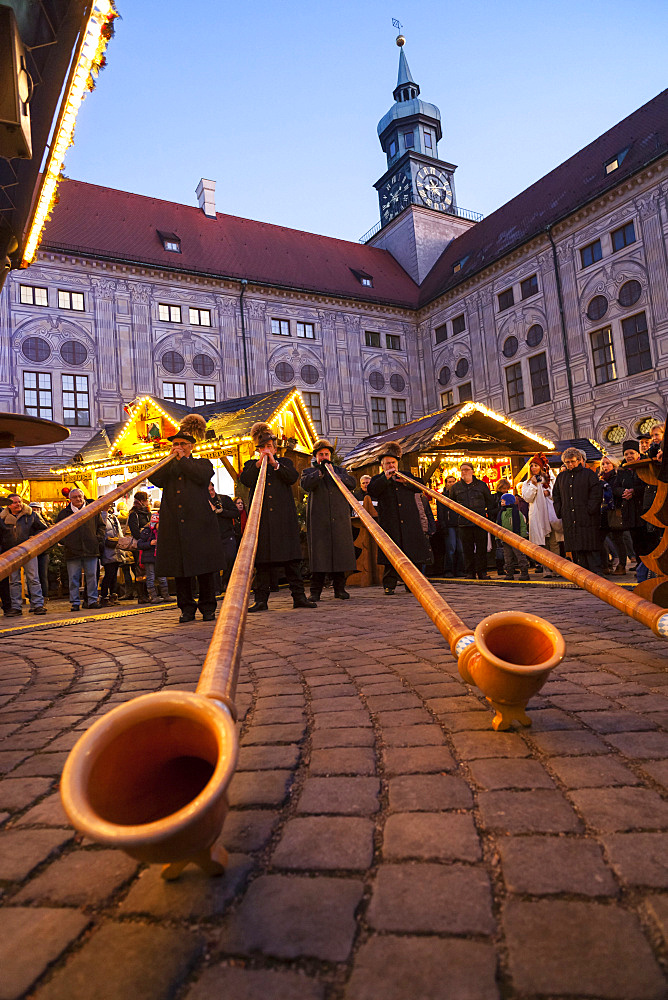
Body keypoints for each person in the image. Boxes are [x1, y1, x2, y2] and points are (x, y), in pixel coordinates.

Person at [149, 414, 226, 623]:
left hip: (200, 527)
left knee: (205, 570)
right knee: (181, 572)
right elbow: (154, 478)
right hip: (175, 527)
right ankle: (186, 609)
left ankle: (208, 608)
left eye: (182, 444)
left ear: (191, 447)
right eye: (175, 444)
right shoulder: (168, 466)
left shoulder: (203, 463)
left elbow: (199, 476)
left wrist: (182, 459)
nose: (178, 447)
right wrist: (169, 460)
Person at [239, 422, 316, 612]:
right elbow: (246, 480)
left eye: (269, 447)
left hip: (284, 520)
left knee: (292, 561)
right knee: (262, 563)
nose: (267, 450)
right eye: (263, 448)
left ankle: (299, 597)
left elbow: (291, 477)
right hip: (262, 520)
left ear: (274, 447)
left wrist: (274, 463)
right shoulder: (251, 465)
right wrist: (259, 463)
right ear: (258, 450)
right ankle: (261, 600)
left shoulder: (285, 463)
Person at [366, 442, 431, 595]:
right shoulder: (378, 479)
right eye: (387, 463)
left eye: (393, 463)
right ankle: (389, 585)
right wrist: (386, 479)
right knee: (392, 556)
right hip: (391, 523)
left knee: (412, 555)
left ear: (397, 463)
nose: (391, 465)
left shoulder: (406, 475)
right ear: (382, 465)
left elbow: (421, 486)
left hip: (409, 522)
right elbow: (372, 491)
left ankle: (412, 584)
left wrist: (406, 482)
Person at [300, 439, 357, 602]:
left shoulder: (340, 471)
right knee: (320, 556)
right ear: (316, 457)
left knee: (340, 554)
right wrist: (320, 473)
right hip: (319, 521)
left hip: (338, 520)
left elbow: (352, 484)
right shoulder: (309, 472)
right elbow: (305, 485)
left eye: (326, 454)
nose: (324, 457)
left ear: (330, 456)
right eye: (321, 455)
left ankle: (340, 589)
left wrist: (335, 474)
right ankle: (315, 592)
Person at [552, 447, 603, 572]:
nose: (570, 464)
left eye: (573, 461)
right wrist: (561, 511)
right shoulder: (561, 477)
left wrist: (590, 510)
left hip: (587, 518)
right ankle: (581, 575)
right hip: (570, 518)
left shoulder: (588, 474)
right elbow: (556, 496)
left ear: (579, 460)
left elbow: (596, 494)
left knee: (590, 547)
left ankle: (596, 575)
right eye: (567, 462)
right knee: (576, 549)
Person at [54, 488, 105, 610]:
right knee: (73, 577)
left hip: (90, 548)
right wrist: (66, 542)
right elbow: (57, 531)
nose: (78, 499)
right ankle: (75, 602)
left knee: (92, 576)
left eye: (80, 496)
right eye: (75, 497)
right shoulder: (64, 514)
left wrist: (96, 539)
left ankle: (92, 600)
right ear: (70, 499)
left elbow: (101, 526)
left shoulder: (92, 510)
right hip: (72, 550)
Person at [0, 494, 48, 616]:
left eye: (19, 502)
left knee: (33, 578)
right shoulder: (2, 518)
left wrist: (34, 538)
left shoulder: (31, 514)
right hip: (10, 553)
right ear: (9, 505)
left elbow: (43, 529)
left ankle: (38, 605)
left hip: (28, 551)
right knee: (14, 581)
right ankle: (16, 607)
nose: (18, 504)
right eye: (15, 502)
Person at [520, 454, 561, 578]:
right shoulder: (527, 483)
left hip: (550, 514)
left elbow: (557, 493)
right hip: (538, 516)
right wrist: (533, 485)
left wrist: (548, 493)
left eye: (536, 465)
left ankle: (557, 568)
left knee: (554, 543)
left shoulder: (551, 479)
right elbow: (527, 498)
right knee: (543, 544)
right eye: (531, 466)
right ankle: (546, 569)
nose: (533, 468)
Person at [450, 462, 494, 580]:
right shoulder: (456, 487)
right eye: (462, 470)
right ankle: (469, 572)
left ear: (472, 471)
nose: (464, 472)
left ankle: (482, 572)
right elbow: (451, 503)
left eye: (466, 469)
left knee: (481, 548)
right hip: (464, 523)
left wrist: (488, 517)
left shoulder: (481, 485)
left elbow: (490, 501)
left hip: (480, 521)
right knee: (467, 549)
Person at [208, 481, 239, 594]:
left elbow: (235, 513)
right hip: (212, 537)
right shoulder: (202, 502)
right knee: (214, 564)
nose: (211, 493)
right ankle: (216, 588)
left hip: (227, 534)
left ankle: (225, 582)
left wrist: (221, 511)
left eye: (212, 490)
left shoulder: (224, 499)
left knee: (230, 558)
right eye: (209, 491)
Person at [137, 511, 170, 602]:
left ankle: (166, 595)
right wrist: (150, 543)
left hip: (159, 557)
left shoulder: (163, 532)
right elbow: (139, 544)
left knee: (162, 576)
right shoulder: (147, 531)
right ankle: (153, 596)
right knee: (150, 577)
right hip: (149, 558)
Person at [497, 492, 530, 580]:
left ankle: (524, 572)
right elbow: (498, 526)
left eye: (503, 501)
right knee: (507, 557)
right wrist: (498, 537)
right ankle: (509, 573)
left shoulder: (517, 513)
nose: (501, 502)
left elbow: (522, 524)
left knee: (520, 556)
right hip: (505, 539)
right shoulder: (501, 513)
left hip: (516, 538)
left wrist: (523, 535)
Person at [436, 475, 465, 577]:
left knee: (461, 549)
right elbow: (440, 513)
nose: (451, 484)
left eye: (453, 482)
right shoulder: (442, 497)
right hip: (449, 525)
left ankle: (460, 570)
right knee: (451, 549)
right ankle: (448, 570)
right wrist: (443, 525)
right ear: (446, 483)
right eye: (449, 482)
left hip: (459, 524)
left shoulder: (459, 496)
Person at [99, 502, 123, 605]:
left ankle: (113, 595)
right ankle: (104, 596)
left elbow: (119, 532)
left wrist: (122, 546)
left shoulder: (112, 517)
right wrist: (104, 511)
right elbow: (102, 527)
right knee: (109, 574)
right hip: (107, 549)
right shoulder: (100, 516)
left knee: (113, 574)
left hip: (116, 549)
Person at [29, 501, 51, 601]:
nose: (35, 511)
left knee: (43, 575)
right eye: (33, 509)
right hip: (31, 552)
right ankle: (33, 599)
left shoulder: (46, 522)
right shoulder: (27, 521)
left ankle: (44, 597)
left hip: (43, 552)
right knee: (32, 577)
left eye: (37, 509)